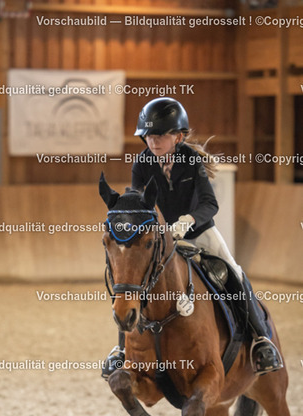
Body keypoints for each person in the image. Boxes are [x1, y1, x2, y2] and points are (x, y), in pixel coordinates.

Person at [102, 97, 283, 378]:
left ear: (178, 136)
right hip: (163, 239)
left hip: (200, 233)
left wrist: (188, 220)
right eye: (148, 136)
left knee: (234, 273)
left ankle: (260, 339)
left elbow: (210, 204)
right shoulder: (142, 163)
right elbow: (139, 205)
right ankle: (122, 349)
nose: (153, 141)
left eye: (160, 135)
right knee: (132, 279)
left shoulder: (191, 160)